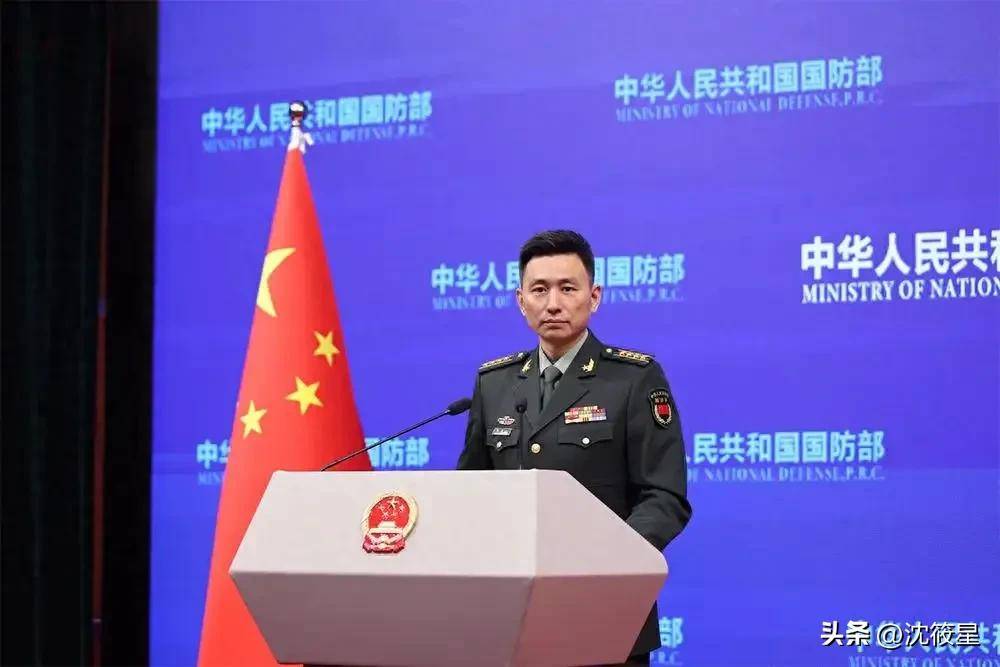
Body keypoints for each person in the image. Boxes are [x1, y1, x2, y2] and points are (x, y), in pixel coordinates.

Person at [456, 230, 692, 665]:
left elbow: (664, 496)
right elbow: (470, 493)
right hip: (511, 616)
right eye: (539, 290)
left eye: (568, 288)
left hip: (606, 608)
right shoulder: (494, 383)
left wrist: (608, 561)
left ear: (594, 296)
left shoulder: (633, 379)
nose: (553, 303)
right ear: (520, 301)